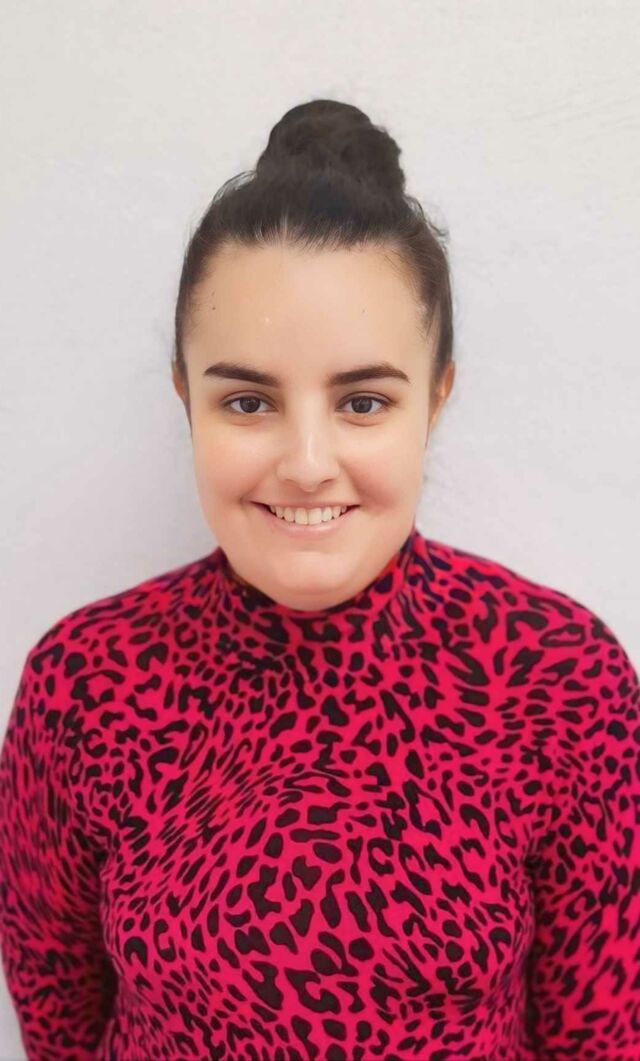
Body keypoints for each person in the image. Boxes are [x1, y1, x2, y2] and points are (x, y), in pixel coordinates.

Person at [0, 98, 638, 1061]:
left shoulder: (562, 681)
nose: (306, 463)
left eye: (364, 401)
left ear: (437, 399)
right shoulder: (84, 683)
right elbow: (60, 1022)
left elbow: (601, 1038)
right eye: (247, 401)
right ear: (186, 398)